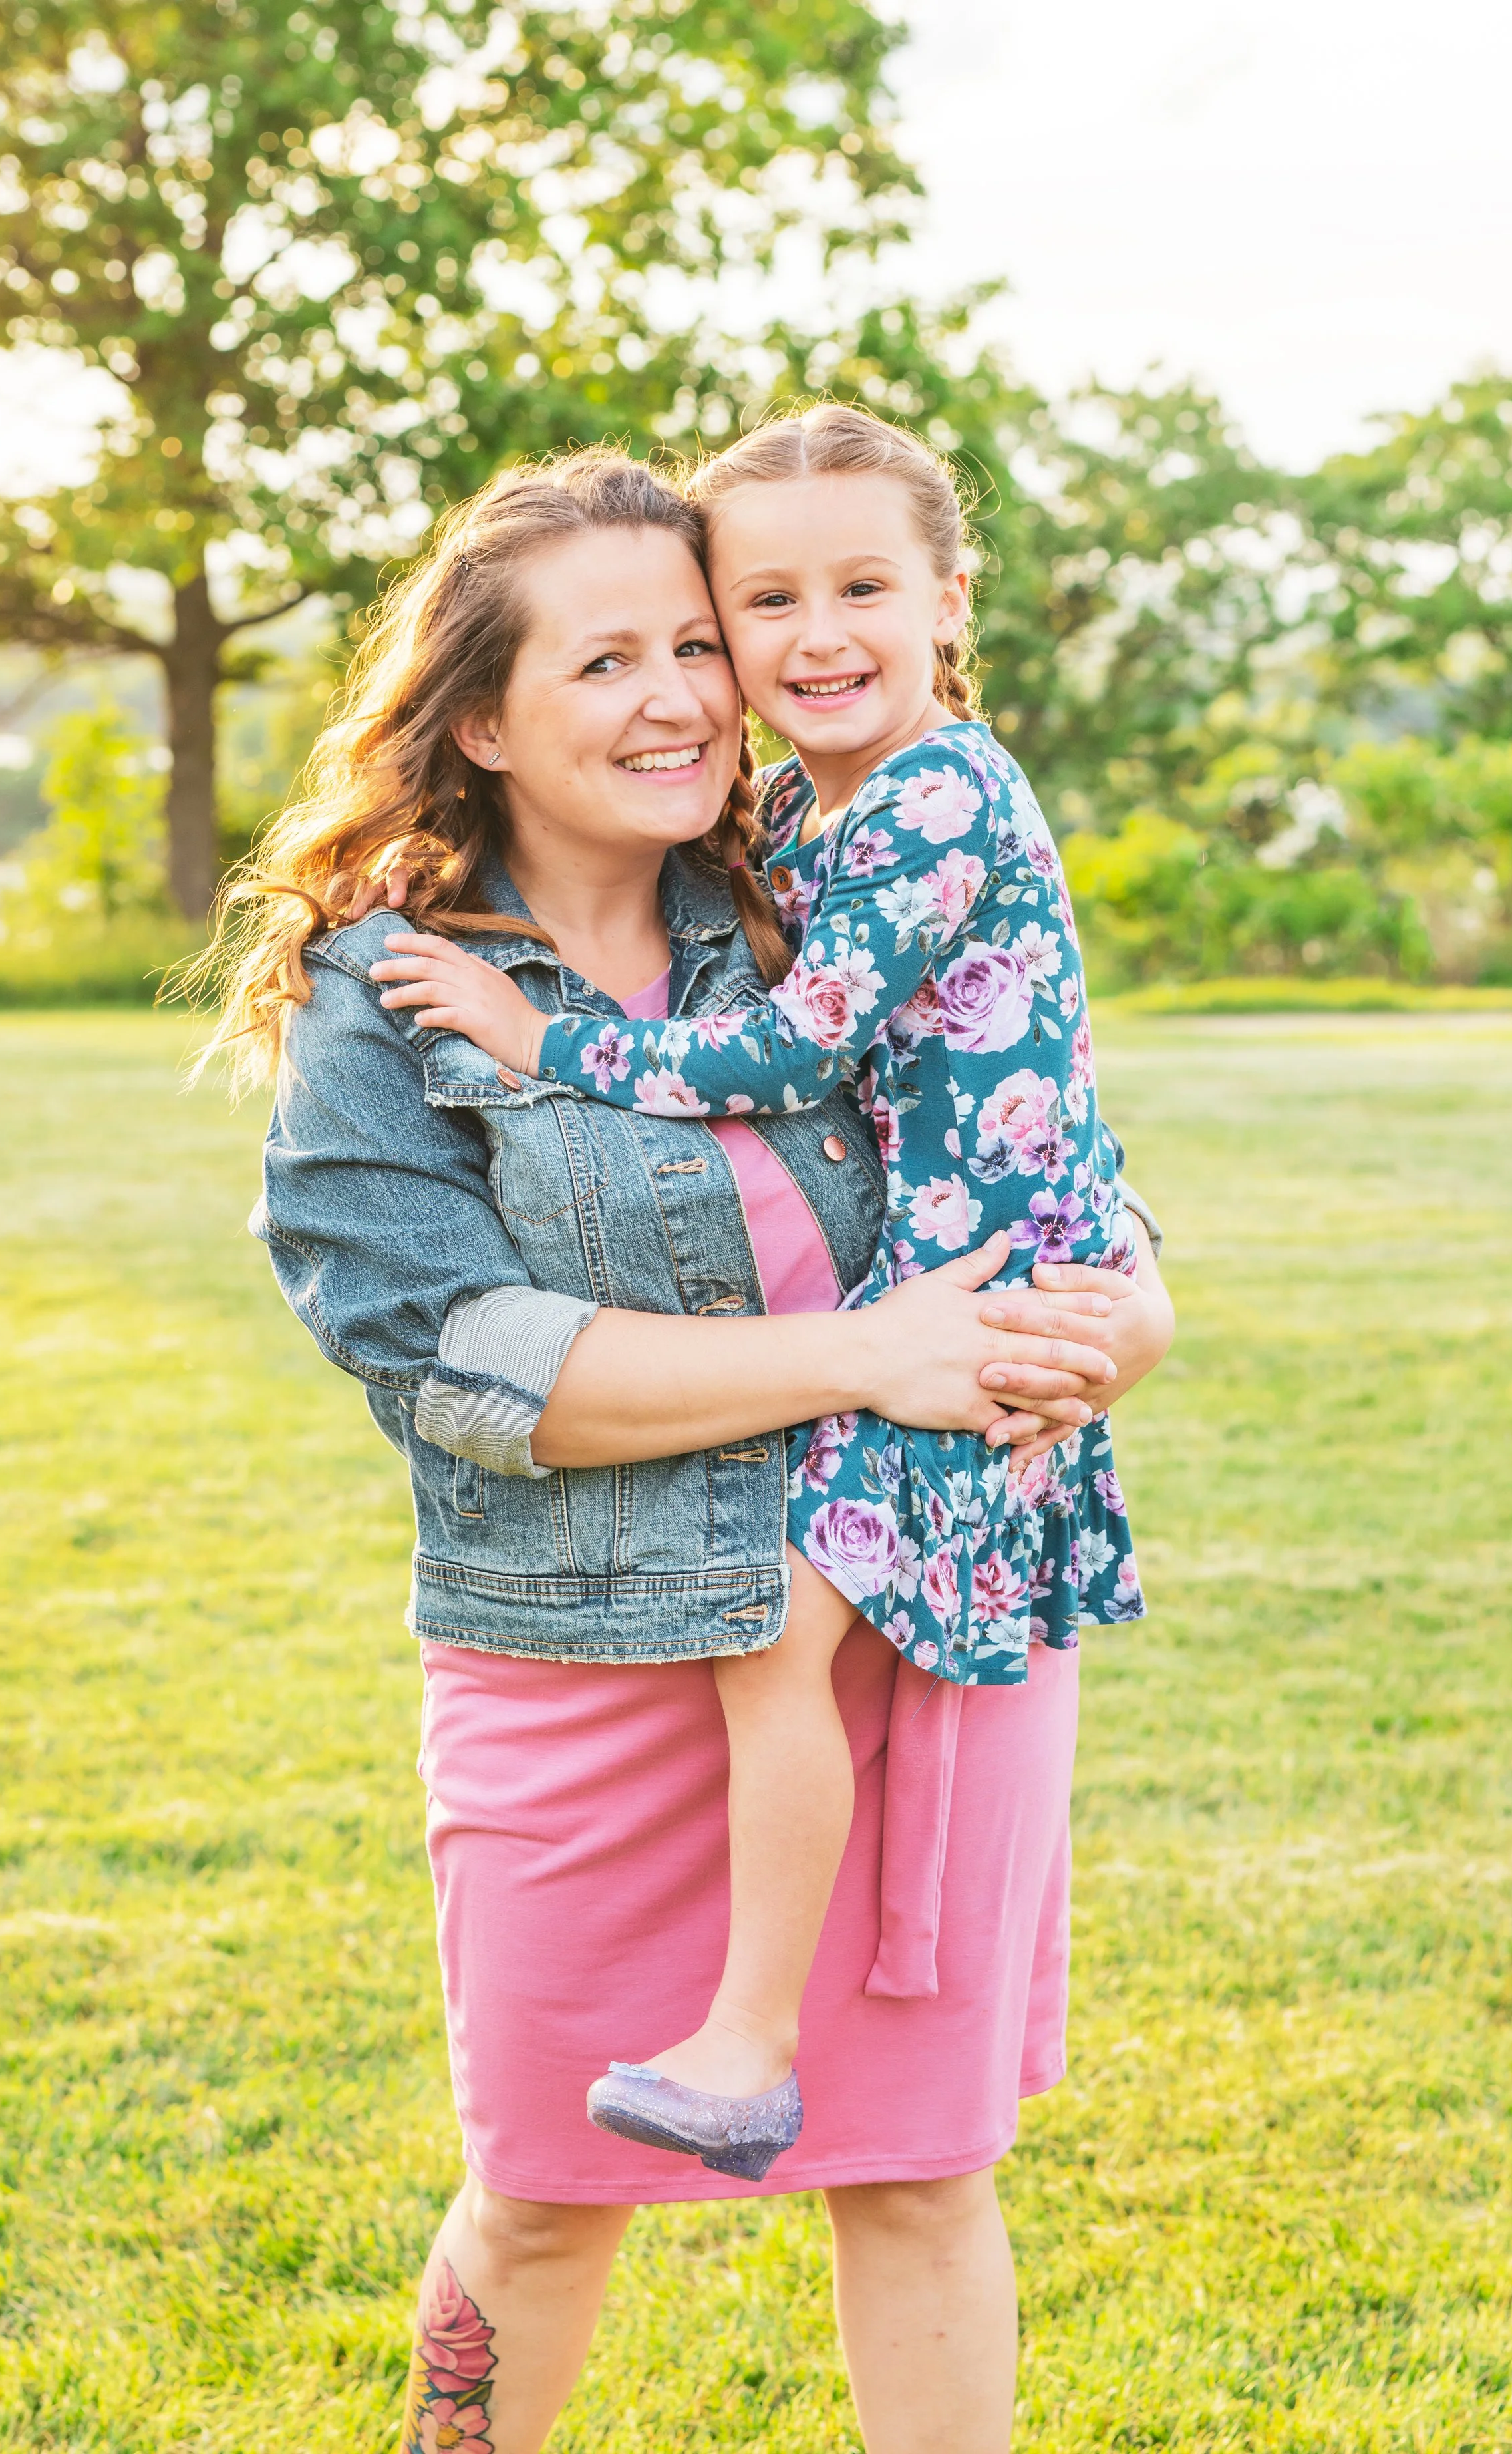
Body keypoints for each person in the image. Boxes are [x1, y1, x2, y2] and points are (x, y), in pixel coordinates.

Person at [204, 446, 1175, 2454]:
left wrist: (1124, 1314)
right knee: (545, 2193)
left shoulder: (806, 894)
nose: (681, 694)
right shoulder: (389, 1001)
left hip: (908, 1613)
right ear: (480, 716)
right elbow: (464, 1361)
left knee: (918, 2175)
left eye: (691, 643)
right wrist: (870, 1354)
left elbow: (1024, 1142)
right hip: (584, 1651)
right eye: (607, 660)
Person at [366, 404, 1147, 2181]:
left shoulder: (942, 792)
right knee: (782, 1643)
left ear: (949, 601)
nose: (809, 640)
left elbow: (796, 1047)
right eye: (762, 603)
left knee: (775, 1636)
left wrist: (538, 1031)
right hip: (937, 1268)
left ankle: (744, 2043)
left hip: (984, 1270)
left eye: (860, 588)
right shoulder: (804, 803)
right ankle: (749, 2035)